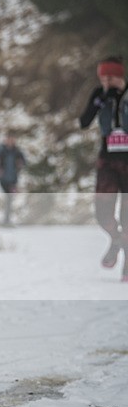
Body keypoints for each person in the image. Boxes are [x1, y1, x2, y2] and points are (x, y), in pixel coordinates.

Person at [79, 56, 128, 281]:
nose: (106, 82)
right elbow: (84, 122)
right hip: (107, 161)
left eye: (109, 78)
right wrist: (101, 100)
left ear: (119, 76)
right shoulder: (99, 94)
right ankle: (116, 239)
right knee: (102, 213)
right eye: (102, 78)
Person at [0, 132, 26, 226]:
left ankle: (7, 220)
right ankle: (5, 220)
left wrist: (20, 165)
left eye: (13, 140)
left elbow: (24, 161)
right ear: (6, 140)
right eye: (9, 139)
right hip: (3, 179)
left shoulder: (16, 151)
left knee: (10, 198)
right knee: (8, 198)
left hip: (13, 180)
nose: (11, 141)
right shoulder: (1, 150)